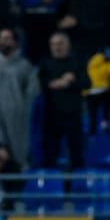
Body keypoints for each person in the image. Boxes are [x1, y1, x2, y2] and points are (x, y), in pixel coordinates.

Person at [38, 31, 88, 170]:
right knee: (50, 154)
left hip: (73, 115)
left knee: (76, 154)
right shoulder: (45, 63)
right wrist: (59, 82)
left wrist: (70, 82)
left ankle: (78, 187)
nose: (56, 47)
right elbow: (40, 84)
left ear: (68, 45)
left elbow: (87, 82)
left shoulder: (77, 62)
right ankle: (50, 186)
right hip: (51, 116)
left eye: (60, 43)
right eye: (53, 44)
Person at [0, 29, 41, 167]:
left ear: (15, 42)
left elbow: (34, 91)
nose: (4, 41)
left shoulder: (25, 66)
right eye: (1, 38)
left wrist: (20, 107)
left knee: (16, 157)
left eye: (7, 38)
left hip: (16, 120)